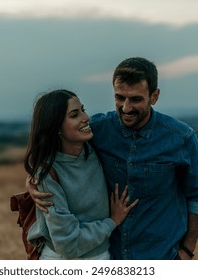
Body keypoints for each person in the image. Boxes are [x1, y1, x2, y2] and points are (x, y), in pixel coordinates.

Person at [28, 57, 198, 260]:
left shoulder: (181, 138)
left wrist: (186, 250)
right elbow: (54, 149)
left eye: (135, 99)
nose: (125, 107)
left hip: (161, 255)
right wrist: (34, 181)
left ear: (154, 96)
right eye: (119, 97)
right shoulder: (96, 130)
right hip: (109, 254)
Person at [24, 89, 138, 260]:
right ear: (56, 128)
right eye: (74, 115)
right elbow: (68, 246)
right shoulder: (48, 172)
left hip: (102, 255)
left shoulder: (94, 147)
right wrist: (112, 221)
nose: (86, 117)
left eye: (83, 110)